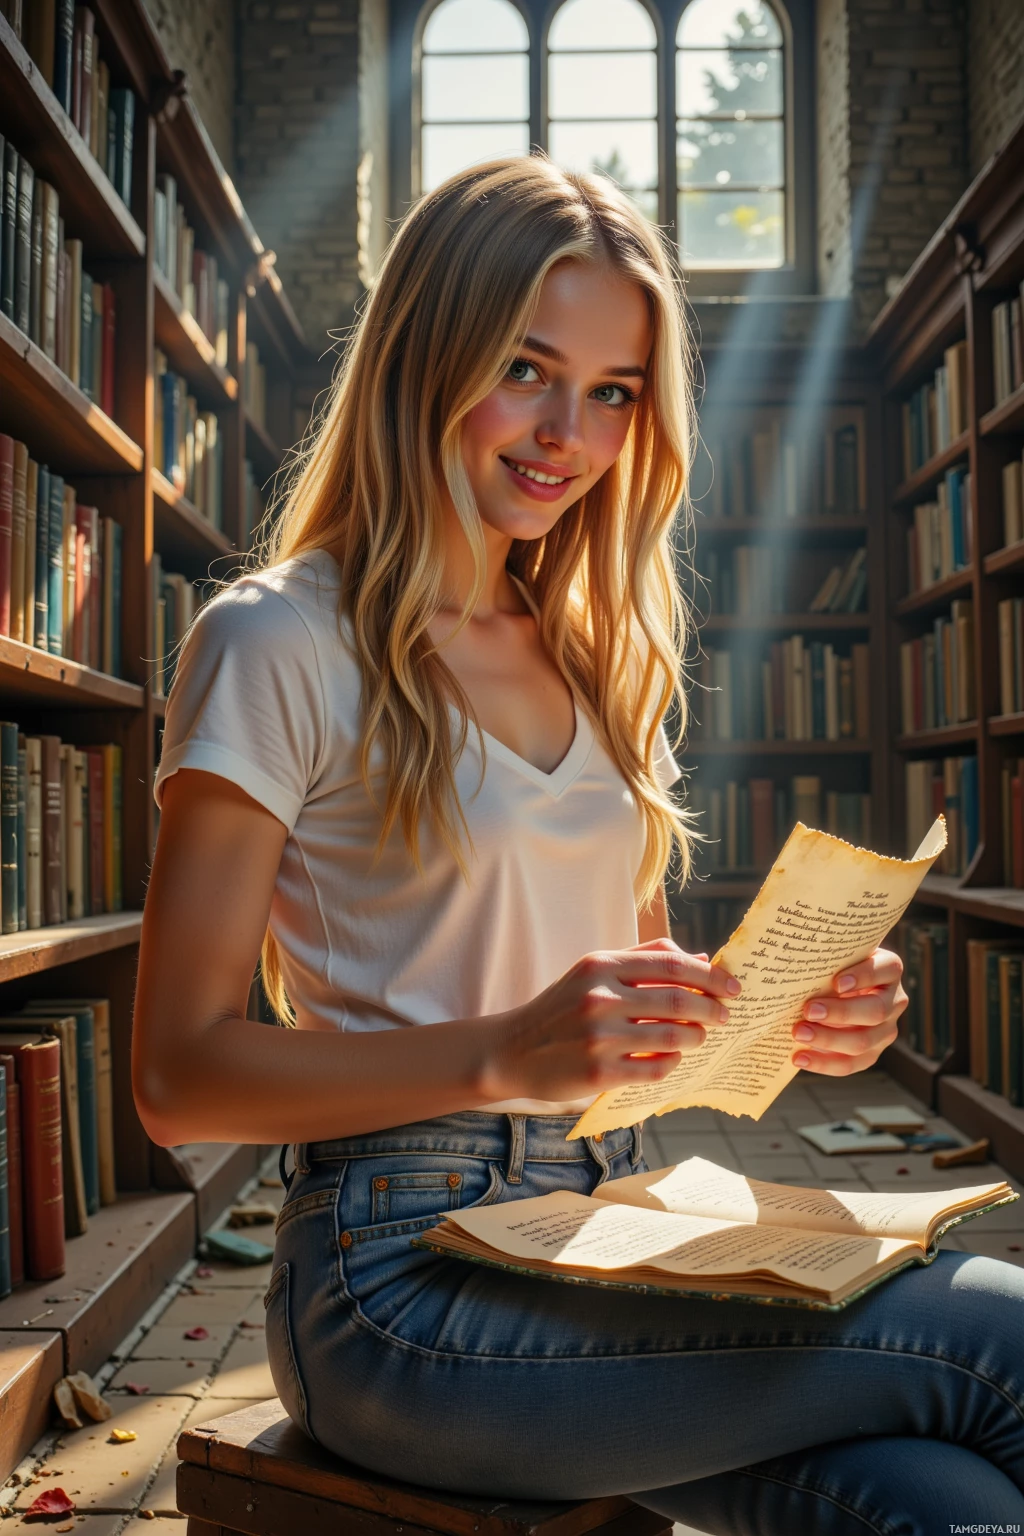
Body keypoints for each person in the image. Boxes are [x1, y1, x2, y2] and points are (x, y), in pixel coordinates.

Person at [133, 157, 1024, 1536]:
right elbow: (178, 1078)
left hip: (620, 1224)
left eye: (613, 392)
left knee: (949, 1506)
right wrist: (502, 1051)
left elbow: (624, 1006)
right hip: (398, 1284)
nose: (568, 433)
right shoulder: (274, 641)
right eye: (527, 369)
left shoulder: (600, 654)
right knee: (999, 1341)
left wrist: (788, 1024)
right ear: (427, 354)